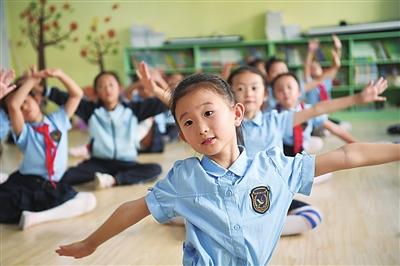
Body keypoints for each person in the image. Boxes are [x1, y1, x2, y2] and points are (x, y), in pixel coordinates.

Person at [55, 70, 399, 265]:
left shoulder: (274, 167)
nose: (201, 127)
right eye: (188, 122)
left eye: (208, 114)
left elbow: (345, 156)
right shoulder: (183, 177)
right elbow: (133, 208)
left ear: (236, 114)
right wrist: (91, 242)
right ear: (181, 135)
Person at [227, 65, 387, 234]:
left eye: (254, 88)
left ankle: (255, 228)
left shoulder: (276, 121)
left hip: (272, 193)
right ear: (229, 95)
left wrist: (356, 98)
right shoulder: (227, 126)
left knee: (312, 216)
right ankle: (255, 226)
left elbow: (315, 109)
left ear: (266, 94)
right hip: (241, 193)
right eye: (240, 88)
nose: (248, 93)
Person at [0, 68, 96, 230]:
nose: (23, 107)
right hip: (27, 183)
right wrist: (34, 79)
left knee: (89, 200)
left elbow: (77, 94)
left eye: (26, 101)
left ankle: (36, 218)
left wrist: (60, 75)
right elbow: (14, 105)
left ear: (37, 100)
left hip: (53, 184)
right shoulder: (24, 131)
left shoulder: (58, 119)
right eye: (19, 106)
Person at [39, 69, 169, 189]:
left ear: (119, 88)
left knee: (155, 169)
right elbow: (63, 97)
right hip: (98, 163)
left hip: (126, 163)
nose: (107, 89)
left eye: (111, 84)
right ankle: (109, 178)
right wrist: (40, 89)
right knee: (63, 178)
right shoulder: (91, 110)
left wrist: (159, 82)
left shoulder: (133, 110)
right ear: (96, 92)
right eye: (102, 86)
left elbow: (169, 101)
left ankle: (112, 180)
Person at [272, 72, 358, 156]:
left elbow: (334, 128)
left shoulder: (309, 110)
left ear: (299, 91)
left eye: (289, 87)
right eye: (280, 89)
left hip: (302, 146)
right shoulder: (273, 114)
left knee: (318, 143)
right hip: (283, 149)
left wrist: (357, 144)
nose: (285, 92)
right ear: (275, 95)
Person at [264, 49, 340, 111]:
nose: (280, 73)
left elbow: (316, 82)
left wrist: (334, 67)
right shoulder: (266, 93)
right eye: (275, 71)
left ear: (299, 91)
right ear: (267, 76)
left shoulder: (296, 87)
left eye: (283, 70)